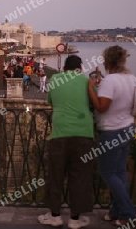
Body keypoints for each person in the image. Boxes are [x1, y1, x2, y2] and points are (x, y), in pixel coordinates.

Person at [88, 46, 136, 227]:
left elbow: (102, 106)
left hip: (112, 130)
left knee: (107, 172)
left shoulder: (110, 80)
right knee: (120, 171)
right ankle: (116, 212)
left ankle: (128, 212)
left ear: (108, 61)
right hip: (129, 127)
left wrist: (91, 88)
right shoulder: (132, 79)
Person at [38, 55, 94, 229]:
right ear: (80, 68)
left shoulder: (54, 79)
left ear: (63, 69)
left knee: (55, 175)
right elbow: (95, 101)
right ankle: (75, 219)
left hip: (60, 133)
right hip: (84, 133)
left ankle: (55, 216)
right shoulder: (86, 80)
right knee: (80, 177)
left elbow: (51, 102)